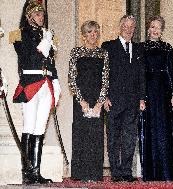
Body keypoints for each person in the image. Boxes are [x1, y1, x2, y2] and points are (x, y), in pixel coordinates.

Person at [10, 0, 61, 184]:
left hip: (46, 84)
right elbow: (29, 56)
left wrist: (56, 82)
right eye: (38, 14)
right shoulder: (19, 34)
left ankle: (36, 172)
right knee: (29, 127)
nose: (41, 17)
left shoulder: (46, 35)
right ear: (28, 15)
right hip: (31, 83)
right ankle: (27, 173)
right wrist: (45, 41)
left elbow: (50, 62)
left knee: (40, 128)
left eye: (42, 14)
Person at [101, 15, 146, 182]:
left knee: (129, 138)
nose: (129, 29)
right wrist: (104, 96)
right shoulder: (108, 46)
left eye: (132, 27)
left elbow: (141, 75)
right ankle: (116, 173)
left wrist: (142, 98)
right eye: (126, 26)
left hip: (133, 101)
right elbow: (103, 74)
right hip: (113, 100)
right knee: (113, 138)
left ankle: (127, 172)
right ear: (120, 27)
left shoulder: (139, 48)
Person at [139, 15, 173, 181]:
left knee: (164, 130)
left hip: (164, 93)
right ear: (148, 29)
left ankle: (167, 173)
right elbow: (139, 73)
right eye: (153, 27)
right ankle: (150, 174)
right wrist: (141, 96)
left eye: (158, 28)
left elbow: (172, 72)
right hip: (148, 91)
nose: (156, 30)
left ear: (162, 30)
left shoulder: (167, 47)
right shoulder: (141, 47)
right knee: (149, 131)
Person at [68, 20, 109, 182]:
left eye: (96, 32)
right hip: (81, 101)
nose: (94, 35)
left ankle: (94, 174)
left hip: (97, 99)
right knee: (81, 134)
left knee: (96, 136)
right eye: (90, 32)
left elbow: (106, 80)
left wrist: (99, 103)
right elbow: (72, 79)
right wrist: (81, 101)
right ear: (84, 35)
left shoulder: (103, 53)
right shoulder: (76, 52)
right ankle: (79, 175)